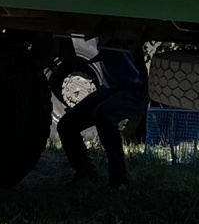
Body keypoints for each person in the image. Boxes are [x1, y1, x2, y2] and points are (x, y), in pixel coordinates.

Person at [52, 38, 148, 187]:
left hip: (134, 90)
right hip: (110, 88)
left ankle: (119, 181)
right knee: (66, 125)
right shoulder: (101, 26)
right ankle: (85, 174)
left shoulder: (129, 28)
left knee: (103, 116)